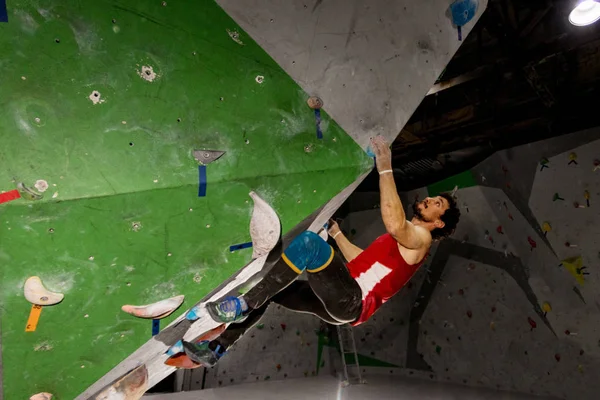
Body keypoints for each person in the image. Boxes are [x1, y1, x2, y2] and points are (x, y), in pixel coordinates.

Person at [184, 136, 461, 365]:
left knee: (309, 245)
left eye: (436, 204)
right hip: (341, 305)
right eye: (433, 198)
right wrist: (337, 233)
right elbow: (361, 260)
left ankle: (244, 304)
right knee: (274, 289)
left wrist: (385, 168)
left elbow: (395, 223)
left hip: (352, 300)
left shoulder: (421, 238)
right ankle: (216, 349)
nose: (428, 200)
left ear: (438, 222)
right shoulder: (403, 245)